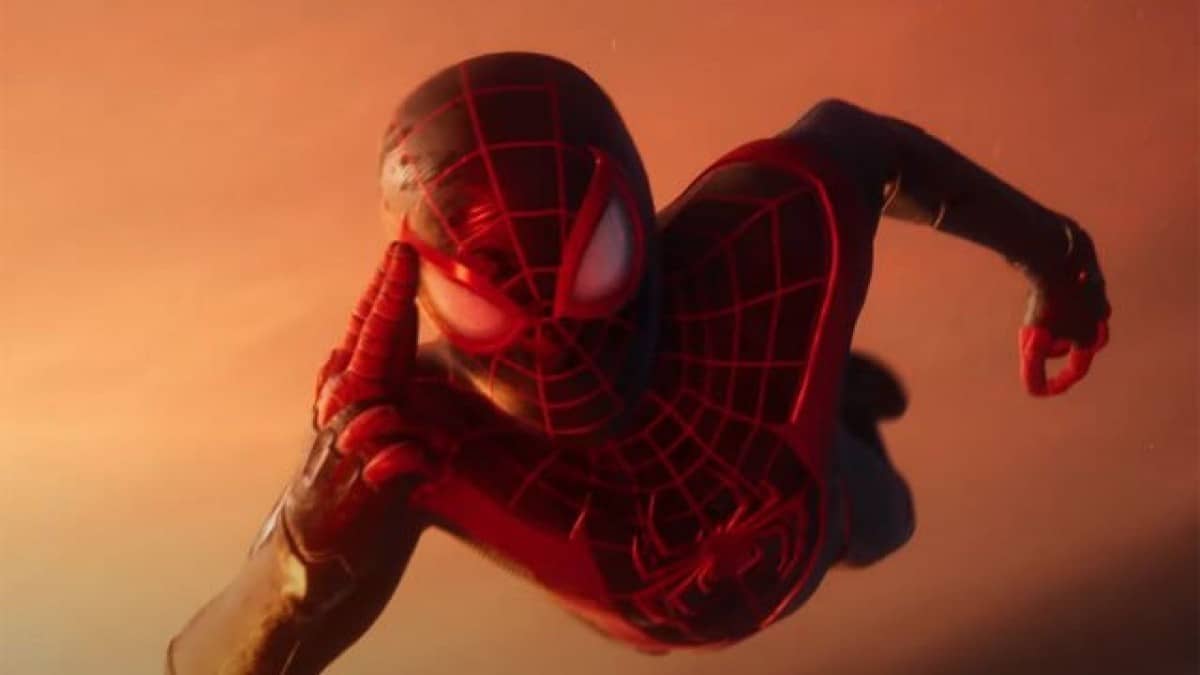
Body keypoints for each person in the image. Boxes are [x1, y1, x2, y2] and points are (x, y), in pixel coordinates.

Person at [167, 52, 1110, 674]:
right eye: (490, 299)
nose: (554, 338)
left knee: (889, 518)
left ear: (640, 215)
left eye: (590, 259)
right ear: (424, 296)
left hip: (804, 491)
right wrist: (298, 553)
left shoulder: (762, 229)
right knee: (865, 518)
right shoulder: (409, 438)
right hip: (661, 590)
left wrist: (1064, 264)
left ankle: (840, 404)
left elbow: (879, 149)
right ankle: (839, 400)